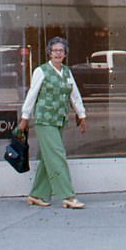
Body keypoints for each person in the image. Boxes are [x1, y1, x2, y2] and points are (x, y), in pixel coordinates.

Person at [19, 37, 87, 209]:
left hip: (59, 119)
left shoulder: (67, 72)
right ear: (49, 52)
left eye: (61, 51)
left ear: (65, 54)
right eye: (55, 50)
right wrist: (24, 118)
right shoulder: (41, 71)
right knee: (57, 155)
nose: (58, 53)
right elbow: (31, 95)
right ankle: (68, 196)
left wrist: (82, 114)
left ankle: (37, 194)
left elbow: (74, 94)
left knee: (47, 157)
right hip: (44, 120)